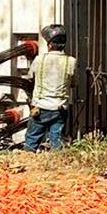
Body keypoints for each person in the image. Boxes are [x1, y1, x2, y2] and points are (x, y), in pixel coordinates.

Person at [25, 23, 77, 151]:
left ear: (49, 45)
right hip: (59, 108)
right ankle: (55, 159)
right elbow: (74, 83)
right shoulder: (71, 61)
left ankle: (28, 157)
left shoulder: (39, 60)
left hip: (40, 107)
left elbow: (30, 77)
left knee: (32, 140)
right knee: (56, 141)